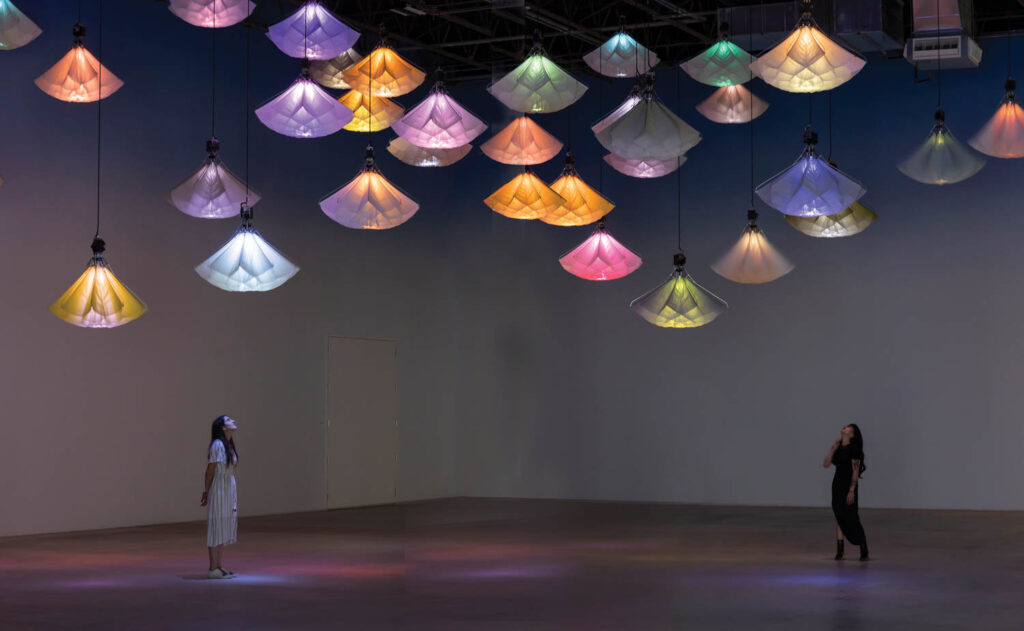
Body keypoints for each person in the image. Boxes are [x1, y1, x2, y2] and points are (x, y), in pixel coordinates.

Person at [822, 424, 868, 561]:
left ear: (852, 435)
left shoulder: (854, 450)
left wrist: (852, 490)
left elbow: (855, 471)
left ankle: (863, 547)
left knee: (852, 517)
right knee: (839, 516)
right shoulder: (839, 448)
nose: (844, 428)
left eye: (848, 428)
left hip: (848, 487)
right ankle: (840, 550)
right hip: (837, 486)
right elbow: (825, 464)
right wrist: (833, 448)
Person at [201, 415, 238, 578]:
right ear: (222, 427)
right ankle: (213, 567)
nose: (233, 421)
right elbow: (210, 470)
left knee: (223, 525)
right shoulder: (218, 445)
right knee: (217, 526)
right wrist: (207, 490)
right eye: (229, 420)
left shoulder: (228, 445)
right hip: (219, 490)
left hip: (227, 489)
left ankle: (218, 566)